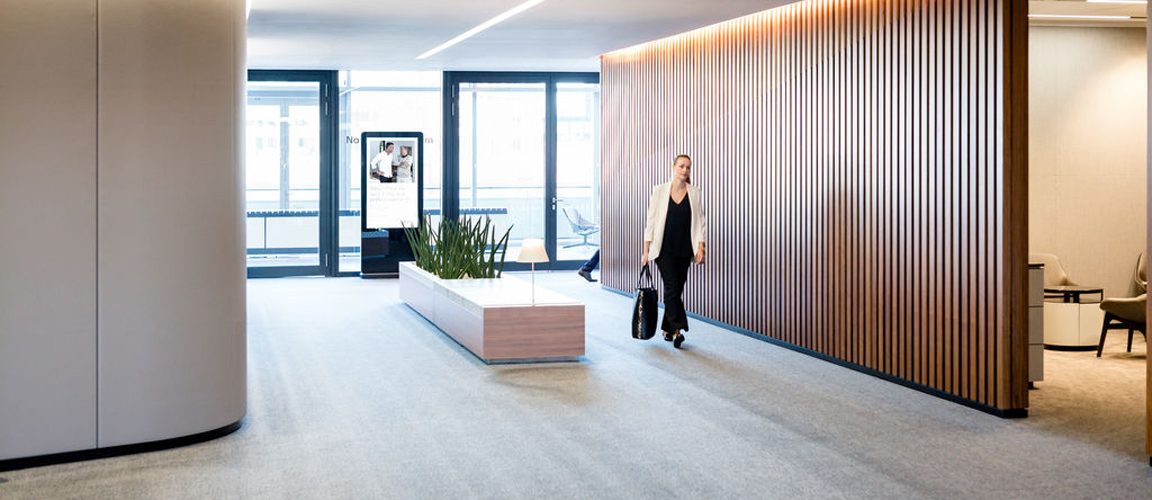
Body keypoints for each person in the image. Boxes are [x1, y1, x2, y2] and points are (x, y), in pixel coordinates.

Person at [641, 154, 706, 348]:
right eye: (681, 166)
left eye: (688, 167)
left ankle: (667, 328)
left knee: (676, 289)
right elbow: (651, 221)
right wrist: (645, 251)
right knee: (671, 287)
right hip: (663, 249)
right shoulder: (659, 191)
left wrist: (701, 247)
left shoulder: (694, 192)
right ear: (673, 167)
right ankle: (678, 330)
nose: (685, 170)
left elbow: (700, 223)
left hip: (685, 249)